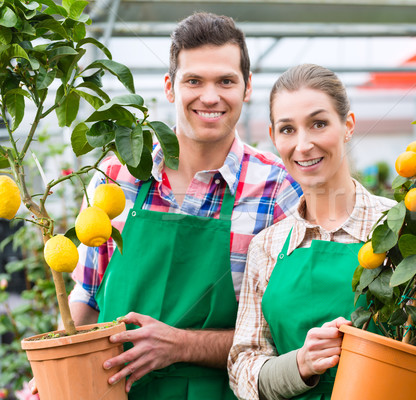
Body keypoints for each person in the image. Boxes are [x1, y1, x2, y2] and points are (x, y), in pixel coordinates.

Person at [66, 12, 302, 400]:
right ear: (170, 88)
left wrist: (181, 344)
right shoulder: (116, 176)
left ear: (246, 89)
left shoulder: (279, 190)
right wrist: (55, 370)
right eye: (194, 80)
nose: (210, 97)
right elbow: (87, 298)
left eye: (226, 81)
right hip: (111, 390)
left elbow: (278, 335)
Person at [228, 64, 416, 400]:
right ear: (274, 137)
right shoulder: (267, 246)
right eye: (288, 130)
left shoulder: (406, 228)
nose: (303, 145)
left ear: (348, 126)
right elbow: (242, 361)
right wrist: (300, 364)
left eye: (318, 124)